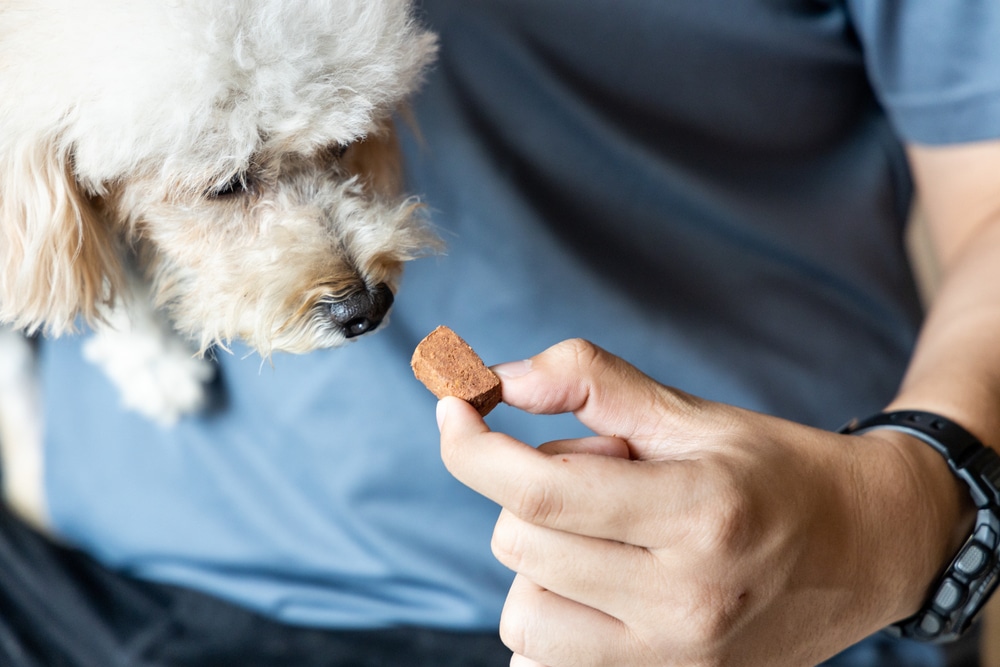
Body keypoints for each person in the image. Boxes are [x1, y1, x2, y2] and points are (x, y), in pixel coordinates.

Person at [2, 0, 999, 665]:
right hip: (79, 576)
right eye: (226, 185)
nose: (356, 284)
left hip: (716, 615)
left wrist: (913, 507)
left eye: (349, 142)